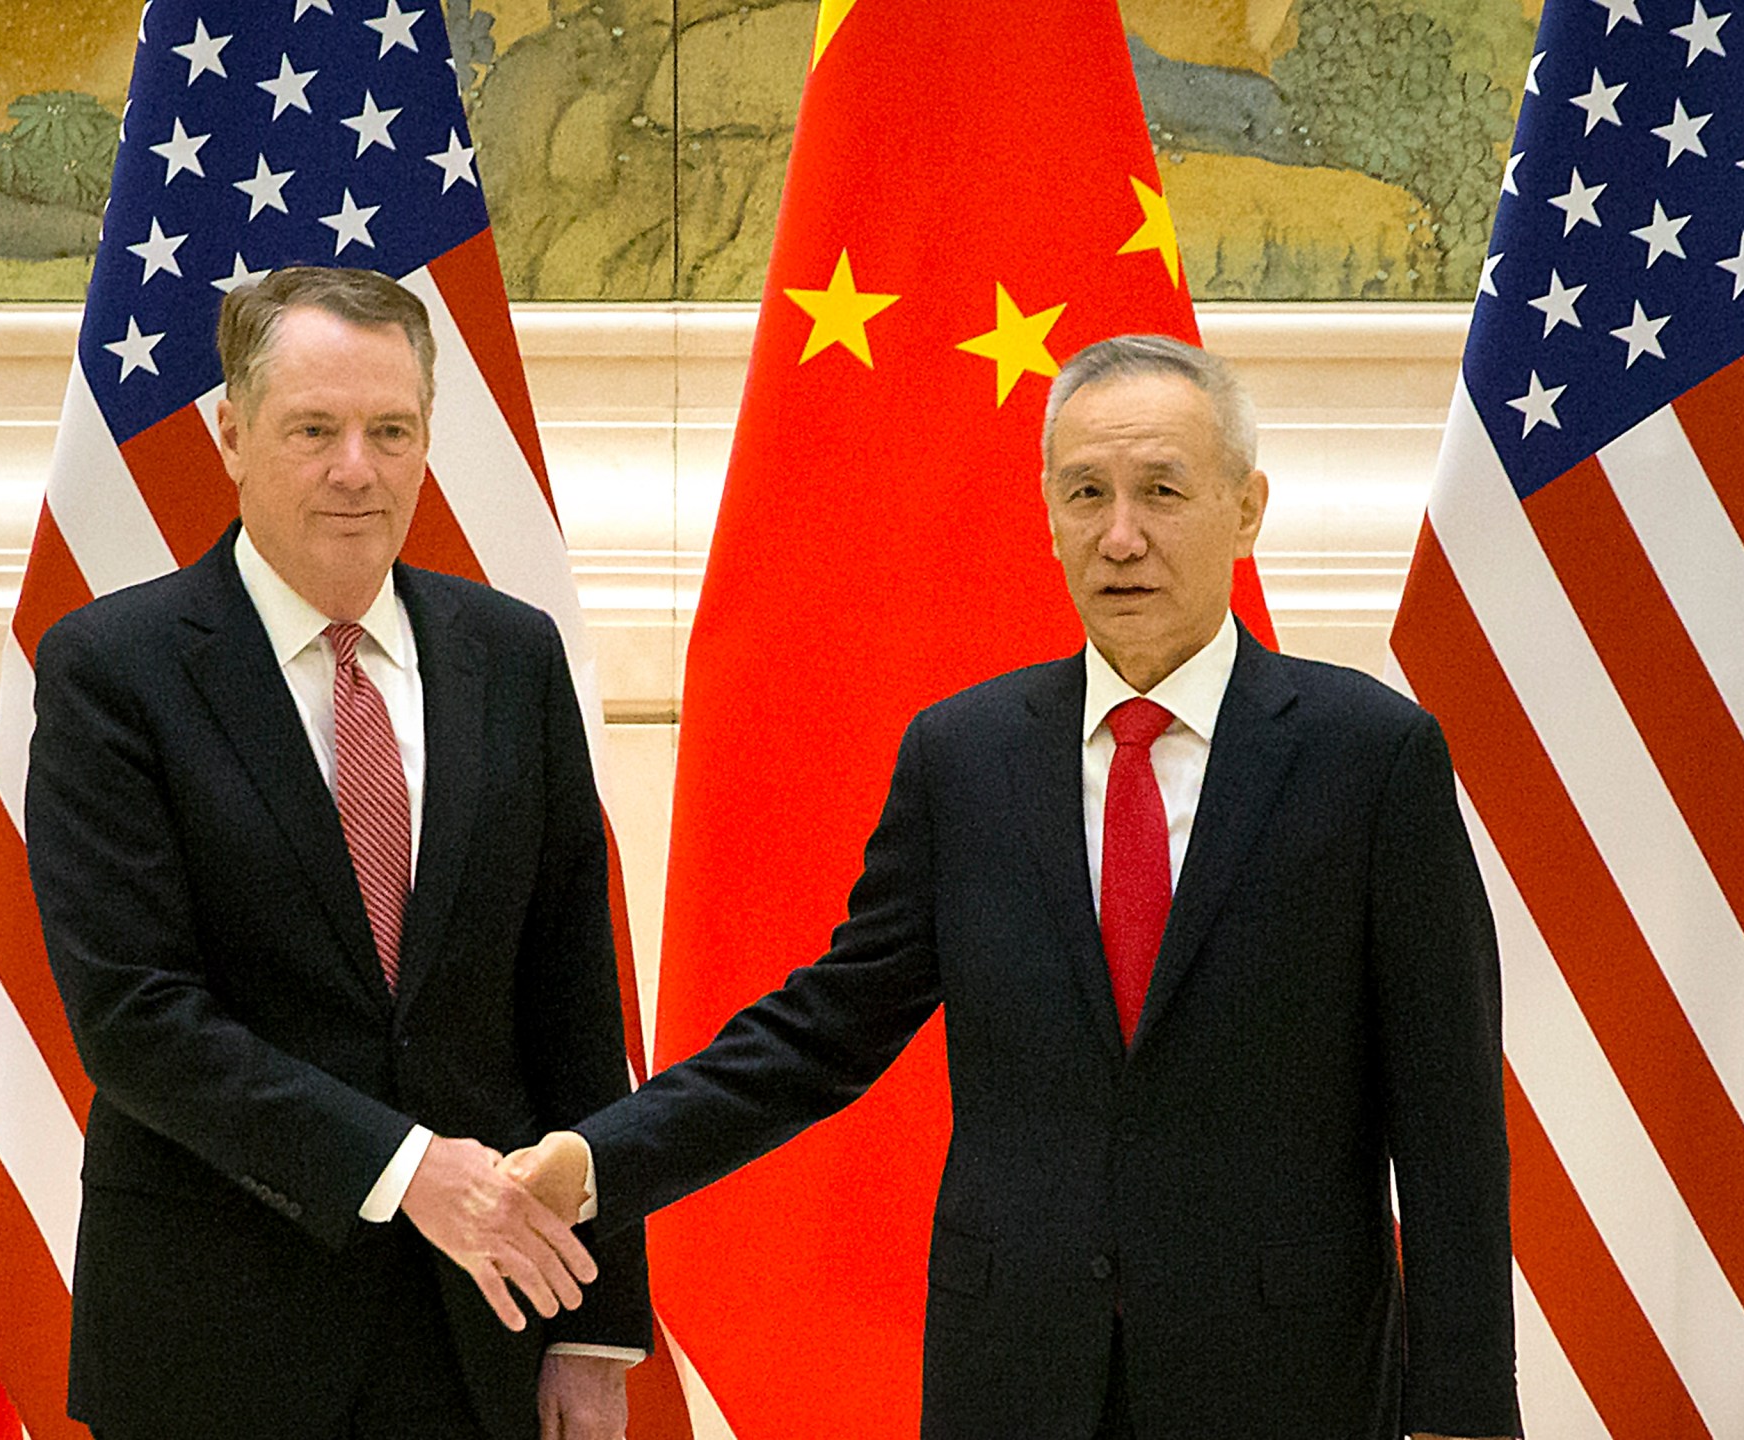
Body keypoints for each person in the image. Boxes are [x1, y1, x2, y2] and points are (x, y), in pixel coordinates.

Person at [510, 335, 1521, 1440]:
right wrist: (598, 1158)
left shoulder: (1369, 758)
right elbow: (821, 1032)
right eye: (1085, 493)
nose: (1119, 535)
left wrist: (1461, 1412)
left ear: (1245, 509)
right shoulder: (965, 756)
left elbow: (1449, 1118)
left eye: (1160, 492)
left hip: (1287, 1379)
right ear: (1047, 511)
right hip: (1018, 1371)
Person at [26, 265, 648, 1440]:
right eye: (313, 429)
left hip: (479, 1333)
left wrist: (593, 1325)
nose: (355, 469)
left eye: (390, 430)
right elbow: (135, 1016)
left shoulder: (512, 658)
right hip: (214, 1337)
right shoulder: (115, 671)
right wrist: (408, 1167)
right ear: (231, 434)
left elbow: (572, 999)